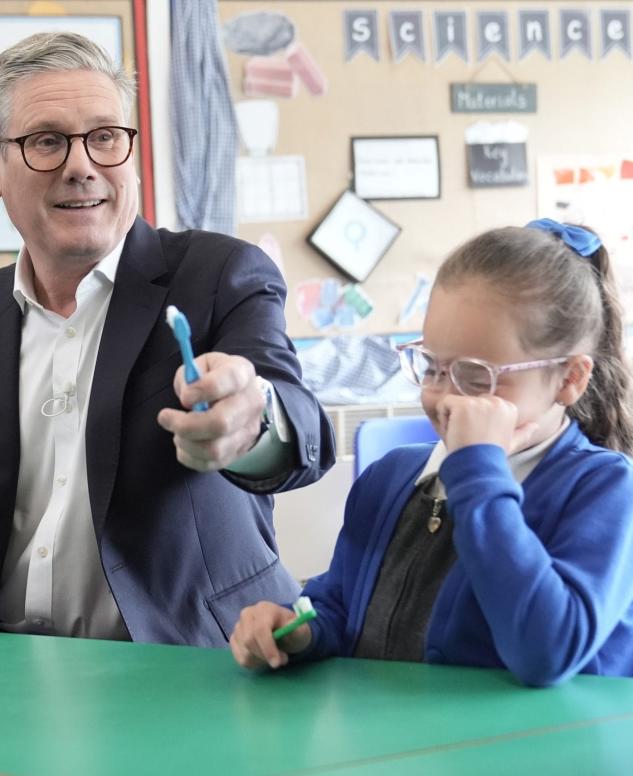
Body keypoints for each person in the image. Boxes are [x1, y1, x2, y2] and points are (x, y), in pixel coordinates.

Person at [0, 32, 333, 647]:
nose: (81, 165)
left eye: (105, 136)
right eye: (47, 141)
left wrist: (255, 420)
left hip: (186, 664)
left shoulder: (218, 276)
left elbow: (299, 425)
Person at [231, 221, 633, 687]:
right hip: (400, 751)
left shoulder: (605, 489)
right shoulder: (392, 477)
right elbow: (339, 604)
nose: (443, 397)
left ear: (569, 379)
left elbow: (548, 650)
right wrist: (295, 630)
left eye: (477, 375)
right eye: (433, 367)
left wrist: (479, 472)